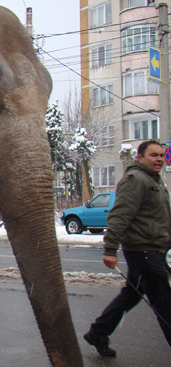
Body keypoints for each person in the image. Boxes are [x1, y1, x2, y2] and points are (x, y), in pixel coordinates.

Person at [84, 140, 171, 357]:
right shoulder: (135, 180)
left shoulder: (154, 180)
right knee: (165, 303)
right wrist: (110, 248)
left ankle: (98, 332)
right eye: (153, 155)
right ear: (140, 158)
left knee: (131, 295)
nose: (159, 159)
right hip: (143, 251)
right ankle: (98, 332)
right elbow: (119, 215)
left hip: (154, 249)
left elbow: (157, 217)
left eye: (161, 155)